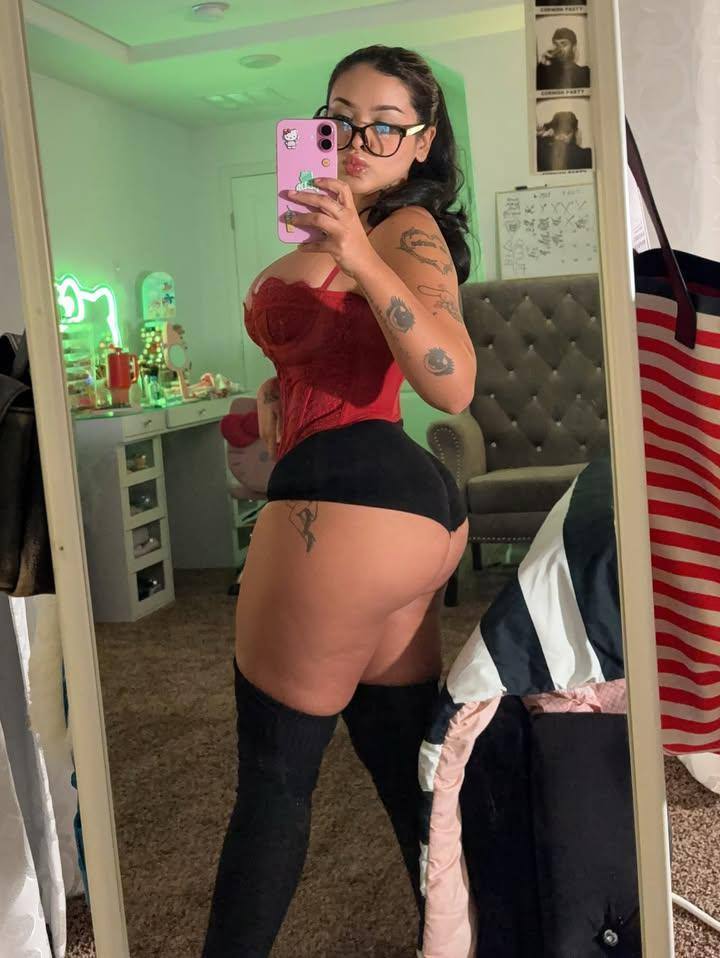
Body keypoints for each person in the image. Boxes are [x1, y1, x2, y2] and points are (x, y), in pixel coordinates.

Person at [202, 45, 475, 956]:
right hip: (394, 514)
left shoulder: (402, 230)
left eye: (386, 126)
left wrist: (357, 250)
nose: (359, 140)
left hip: (350, 508)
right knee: (405, 777)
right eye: (341, 118)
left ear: (423, 142)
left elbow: (453, 382)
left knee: (275, 783)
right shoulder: (336, 226)